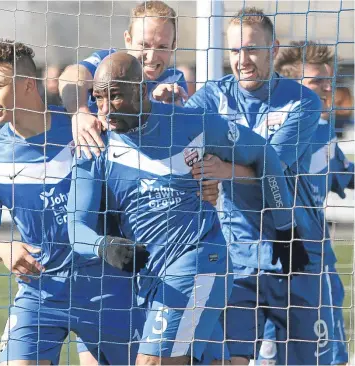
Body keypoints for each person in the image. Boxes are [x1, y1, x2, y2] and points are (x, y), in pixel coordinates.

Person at [67, 52, 306, 366]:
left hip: (199, 260)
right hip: (149, 277)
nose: (106, 109)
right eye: (98, 98)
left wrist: (285, 227)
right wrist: (105, 246)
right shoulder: (94, 144)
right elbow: (75, 229)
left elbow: (263, 153)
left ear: (140, 91)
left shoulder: (193, 124)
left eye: (116, 97)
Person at [0, 39, 144, 366]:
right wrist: (4, 250)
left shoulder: (83, 129)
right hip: (41, 289)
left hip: (105, 285)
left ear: (28, 85)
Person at [185, 7, 333, 365]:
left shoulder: (303, 100)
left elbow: (273, 165)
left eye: (251, 49)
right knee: (229, 358)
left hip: (295, 251)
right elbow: (182, 143)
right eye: (235, 51)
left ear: (273, 48)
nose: (242, 60)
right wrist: (164, 104)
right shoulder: (211, 98)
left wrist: (221, 167)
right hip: (236, 254)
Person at [257, 41, 354, 366]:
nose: (327, 89)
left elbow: (345, 174)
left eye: (329, 81)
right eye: (316, 81)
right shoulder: (266, 130)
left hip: (313, 261)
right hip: (265, 262)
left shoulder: (325, 134)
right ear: (290, 86)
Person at [59, 0, 188, 160]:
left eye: (162, 47)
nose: (152, 56)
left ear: (173, 46)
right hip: (97, 163)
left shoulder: (174, 80)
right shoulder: (108, 63)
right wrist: (80, 112)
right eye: (144, 44)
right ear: (128, 40)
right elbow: (70, 76)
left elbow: (178, 144)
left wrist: (168, 108)